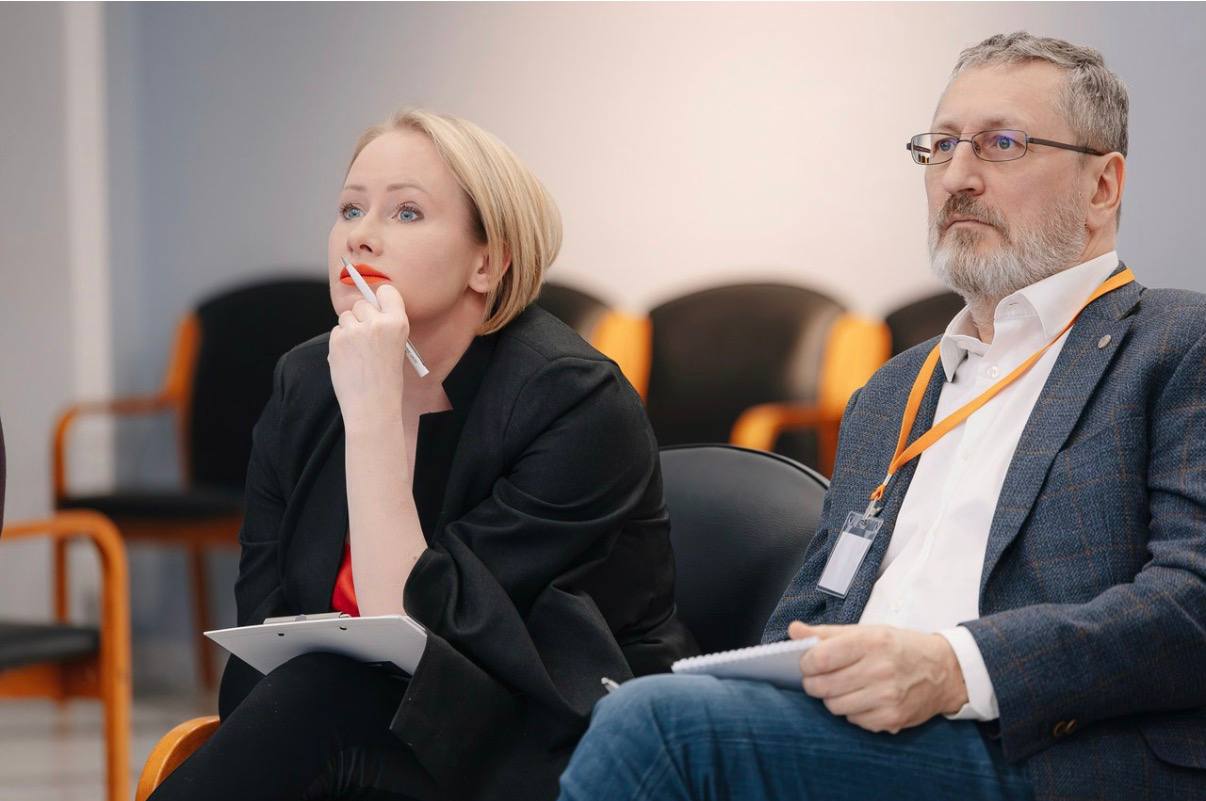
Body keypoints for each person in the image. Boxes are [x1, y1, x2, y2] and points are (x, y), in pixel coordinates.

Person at [559, 32, 1206, 801]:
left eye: (1002, 144)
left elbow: (1192, 602)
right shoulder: (893, 390)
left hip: (1050, 756)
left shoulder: (1175, 344)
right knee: (626, 707)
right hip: (859, 741)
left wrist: (958, 667)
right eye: (941, 146)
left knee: (657, 727)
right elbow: (813, 609)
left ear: (1103, 185)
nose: (957, 177)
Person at [150, 108, 696, 801]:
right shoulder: (305, 382)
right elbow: (265, 624)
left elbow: (423, 629)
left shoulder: (574, 400)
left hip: (559, 740)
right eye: (350, 209)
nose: (360, 235)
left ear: (487, 262)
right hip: (348, 723)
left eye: (406, 212)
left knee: (321, 693)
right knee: (313, 696)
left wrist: (374, 413)